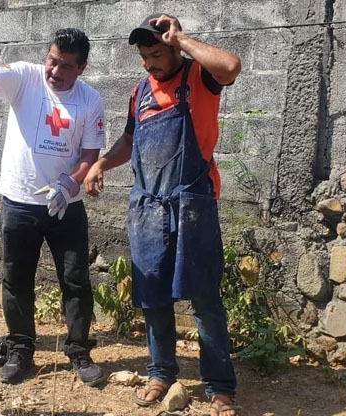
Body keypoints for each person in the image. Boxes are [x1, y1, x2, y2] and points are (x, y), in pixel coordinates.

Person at [81, 14, 242, 416]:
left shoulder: (200, 78)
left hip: (192, 206)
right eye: (144, 56)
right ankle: (161, 372)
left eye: (156, 54)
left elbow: (232, 67)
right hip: (148, 208)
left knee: (205, 298)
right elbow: (130, 139)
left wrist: (183, 39)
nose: (149, 63)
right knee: (152, 297)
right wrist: (101, 163)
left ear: (174, 48)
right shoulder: (141, 92)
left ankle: (219, 384)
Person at [0, 28, 108, 386]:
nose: (55, 71)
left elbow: (90, 154)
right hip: (19, 202)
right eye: (52, 60)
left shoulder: (90, 101)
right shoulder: (26, 77)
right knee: (16, 279)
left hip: (66, 207)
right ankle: (21, 350)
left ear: (82, 68)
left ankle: (78, 351)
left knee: (75, 279)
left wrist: (70, 182)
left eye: (66, 67)